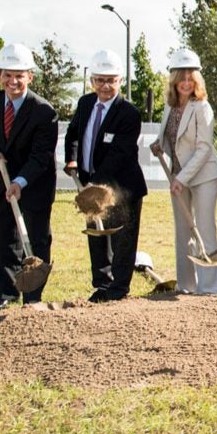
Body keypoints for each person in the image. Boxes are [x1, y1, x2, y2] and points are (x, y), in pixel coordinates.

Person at [0, 43, 58, 311]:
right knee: (6, 242)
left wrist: (20, 182)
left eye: (19, 75)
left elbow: (41, 156)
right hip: (3, 179)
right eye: (8, 75)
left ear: (30, 77)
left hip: (34, 183)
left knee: (35, 241)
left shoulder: (44, 111)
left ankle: (33, 297)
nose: (13, 81)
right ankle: (6, 295)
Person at [64, 49, 148, 302]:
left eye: (111, 80)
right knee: (96, 235)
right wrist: (72, 158)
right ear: (92, 81)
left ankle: (119, 288)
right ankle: (102, 284)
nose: (105, 85)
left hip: (122, 186)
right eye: (100, 80)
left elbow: (119, 154)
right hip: (90, 181)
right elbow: (74, 134)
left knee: (122, 237)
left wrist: (95, 183)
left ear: (120, 81)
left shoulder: (129, 113)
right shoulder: (85, 103)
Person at [149, 49, 217, 295]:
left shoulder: (202, 107)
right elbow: (172, 138)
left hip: (203, 176)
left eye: (191, 77)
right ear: (174, 79)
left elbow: (203, 149)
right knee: (183, 231)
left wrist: (181, 178)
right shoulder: (169, 107)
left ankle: (209, 287)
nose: (187, 82)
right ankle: (186, 285)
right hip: (177, 175)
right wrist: (160, 145)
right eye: (182, 77)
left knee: (203, 227)